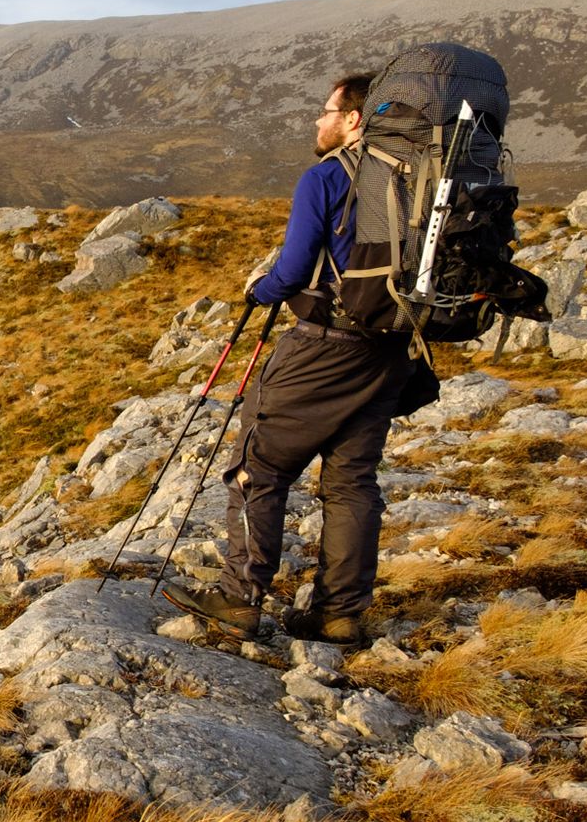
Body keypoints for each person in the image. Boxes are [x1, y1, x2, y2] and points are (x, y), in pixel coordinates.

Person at [162, 72, 419, 646]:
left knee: (259, 464)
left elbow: (295, 267)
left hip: (325, 346)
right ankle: (339, 613)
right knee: (352, 482)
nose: (318, 121)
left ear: (354, 119)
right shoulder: (416, 179)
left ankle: (238, 596)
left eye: (327, 111)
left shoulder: (327, 177)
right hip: (391, 349)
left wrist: (262, 286)